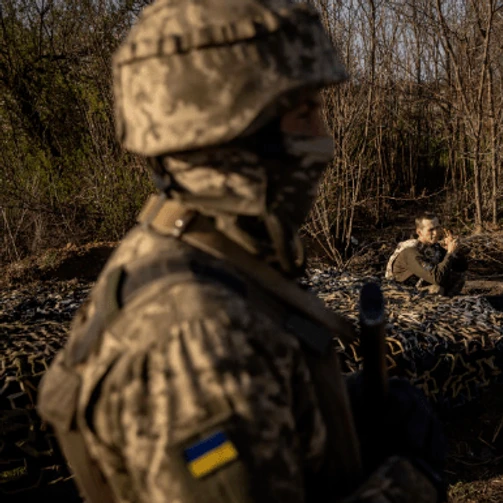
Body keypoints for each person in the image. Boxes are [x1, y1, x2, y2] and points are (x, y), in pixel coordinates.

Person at [35, 2, 445, 502]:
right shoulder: (196, 336)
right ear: (228, 129)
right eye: (303, 113)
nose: (325, 142)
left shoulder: (194, 245)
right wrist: (406, 489)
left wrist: (328, 410)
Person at [385, 214, 468, 296]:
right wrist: (450, 253)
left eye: (437, 228)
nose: (435, 233)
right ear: (419, 232)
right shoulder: (411, 251)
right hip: (402, 289)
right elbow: (437, 278)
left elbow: (461, 267)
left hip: (422, 284)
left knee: (458, 277)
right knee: (437, 288)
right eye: (431, 230)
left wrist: (452, 250)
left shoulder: (432, 247)